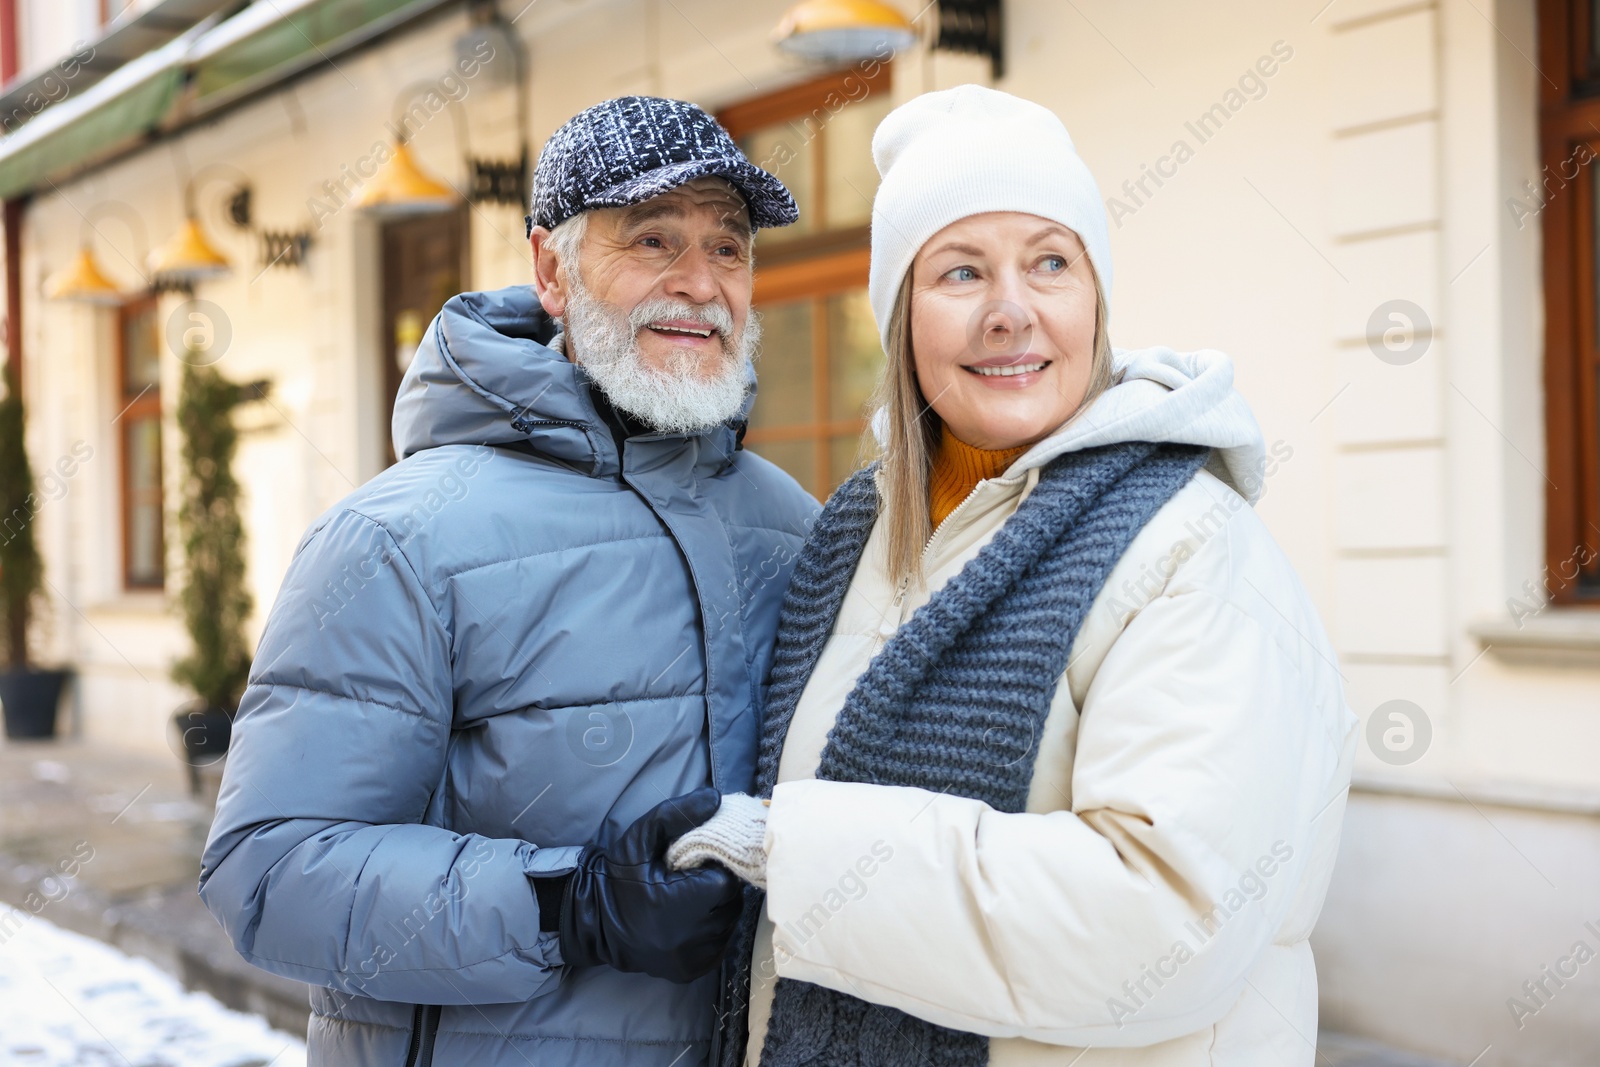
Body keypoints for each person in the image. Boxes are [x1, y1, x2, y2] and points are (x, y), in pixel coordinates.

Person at [667, 85, 1358, 1067]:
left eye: (1049, 262)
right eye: (959, 271)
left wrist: (797, 851)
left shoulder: (1189, 550)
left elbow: (1162, 924)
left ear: (1094, 300)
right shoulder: (852, 541)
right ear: (903, 318)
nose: (1010, 311)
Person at [198, 96, 820, 1066]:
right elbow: (268, 871)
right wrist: (571, 902)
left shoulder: (789, 521)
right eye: (652, 240)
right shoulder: (397, 539)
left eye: (728, 248)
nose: (699, 283)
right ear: (550, 271)